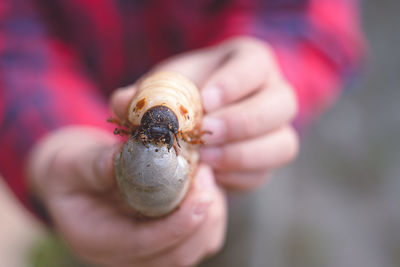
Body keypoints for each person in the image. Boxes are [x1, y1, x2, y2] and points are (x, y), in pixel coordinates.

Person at [0, 0, 364, 266]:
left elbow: (307, 18)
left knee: (239, 237)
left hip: (238, 167)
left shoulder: (187, 129)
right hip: (91, 176)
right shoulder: (144, 130)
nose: (156, 139)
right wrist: (48, 144)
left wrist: (266, 78)